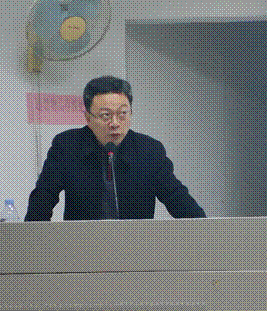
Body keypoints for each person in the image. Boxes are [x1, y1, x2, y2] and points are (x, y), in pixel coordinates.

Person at [24, 75, 206, 221]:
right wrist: (31, 242)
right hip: (81, 245)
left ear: (131, 113)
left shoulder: (149, 150)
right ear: (88, 118)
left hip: (135, 245)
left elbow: (177, 198)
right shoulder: (67, 146)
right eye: (106, 115)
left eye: (122, 114)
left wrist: (207, 232)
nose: (115, 123)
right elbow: (43, 197)